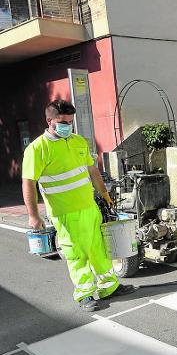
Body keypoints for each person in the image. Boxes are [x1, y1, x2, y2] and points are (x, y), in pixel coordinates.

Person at [22, 99, 136, 312]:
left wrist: (103, 193)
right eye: (62, 121)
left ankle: (109, 287)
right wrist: (33, 215)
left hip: (89, 208)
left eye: (70, 121)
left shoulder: (78, 141)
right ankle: (84, 294)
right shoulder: (37, 149)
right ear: (49, 121)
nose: (67, 125)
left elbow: (92, 170)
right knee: (76, 254)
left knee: (98, 249)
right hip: (64, 213)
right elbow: (28, 182)